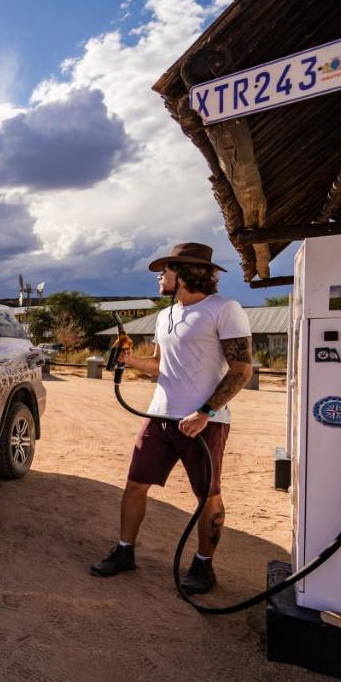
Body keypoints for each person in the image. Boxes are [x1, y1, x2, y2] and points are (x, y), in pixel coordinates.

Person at [91, 242, 253, 594]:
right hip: (160, 415)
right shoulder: (166, 315)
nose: (159, 277)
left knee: (207, 495)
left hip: (204, 421)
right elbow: (160, 365)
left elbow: (242, 368)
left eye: (164, 270)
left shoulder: (224, 309)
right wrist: (130, 361)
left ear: (184, 273)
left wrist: (206, 412)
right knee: (135, 483)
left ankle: (204, 566)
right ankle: (124, 551)